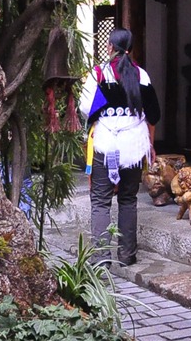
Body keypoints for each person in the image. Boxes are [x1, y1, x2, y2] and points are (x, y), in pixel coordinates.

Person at [78, 28, 160, 265]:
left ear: (110, 47)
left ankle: (102, 258)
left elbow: (86, 108)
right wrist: (151, 144)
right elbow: (154, 114)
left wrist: (105, 108)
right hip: (133, 145)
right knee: (127, 199)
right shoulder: (141, 76)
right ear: (131, 49)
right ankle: (127, 255)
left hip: (105, 144)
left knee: (100, 201)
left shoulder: (99, 74)